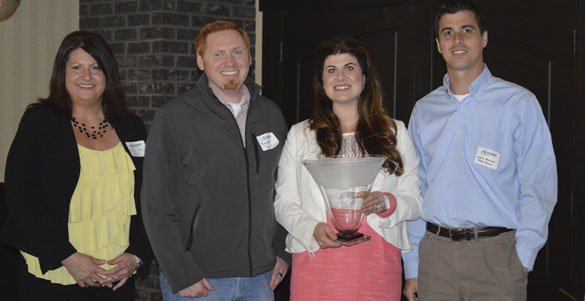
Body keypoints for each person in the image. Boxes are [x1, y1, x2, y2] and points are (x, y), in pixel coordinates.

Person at [402, 1, 558, 300]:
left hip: (497, 257)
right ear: (438, 44)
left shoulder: (518, 103)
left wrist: (522, 257)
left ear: (483, 38)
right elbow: (415, 188)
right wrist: (413, 266)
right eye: (448, 32)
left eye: (466, 30)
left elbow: (539, 185)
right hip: (435, 257)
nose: (457, 40)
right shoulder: (424, 110)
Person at [141, 20, 290, 300]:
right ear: (201, 61)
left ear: (249, 57)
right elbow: (156, 203)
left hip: (261, 277)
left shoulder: (270, 114)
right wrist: (180, 271)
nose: (229, 62)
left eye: (237, 52)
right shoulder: (175, 117)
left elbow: (283, 188)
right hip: (200, 280)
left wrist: (282, 252)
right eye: (218, 54)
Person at [0, 31, 152, 300]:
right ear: (63, 74)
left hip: (116, 279)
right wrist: (65, 256)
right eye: (77, 67)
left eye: (96, 67)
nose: (87, 76)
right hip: (56, 276)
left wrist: (137, 257)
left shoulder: (131, 127)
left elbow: (151, 197)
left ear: (108, 74)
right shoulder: (40, 122)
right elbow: (20, 197)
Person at [274, 36, 423, 300]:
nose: (340, 76)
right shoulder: (300, 135)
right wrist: (311, 228)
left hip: (377, 261)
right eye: (331, 70)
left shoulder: (395, 132)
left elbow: (415, 201)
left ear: (365, 78)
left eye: (349, 68)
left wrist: (387, 203)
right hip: (316, 259)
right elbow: (284, 202)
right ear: (322, 83)